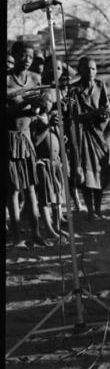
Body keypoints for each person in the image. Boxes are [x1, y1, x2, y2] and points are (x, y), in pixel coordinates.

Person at [6, 41, 46, 248]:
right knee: (13, 190)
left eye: (30, 56)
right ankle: (17, 238)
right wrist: (25, 106)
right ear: (14, 55)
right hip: (10, 139)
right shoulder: (6, 80)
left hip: (27, 139)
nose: (28, 59)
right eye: (23, 55)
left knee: (31, 188)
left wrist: (40, 108)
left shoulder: (36, 79)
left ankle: (36, 233)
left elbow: (41, 109)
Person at [70, 57, 110, 220]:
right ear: (79, 70)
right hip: (82, 136)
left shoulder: (100, 86)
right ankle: (90, 210)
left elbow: (106, 108)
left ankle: (99, 209)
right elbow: (74, 116)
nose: (90, 72)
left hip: (99, 135)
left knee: (100, 171)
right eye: (86, 69)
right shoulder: (73, 90)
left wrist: (103, 115)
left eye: (93, 69)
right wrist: (92, 114)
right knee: (87, 174)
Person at [31, 60, 68, 240]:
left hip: (55, 162)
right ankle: (48, 228)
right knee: (45, 198)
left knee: (58, 194)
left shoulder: (52, 116)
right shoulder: (37, 119)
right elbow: (36, 142)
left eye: (51, 100)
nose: (48, 102)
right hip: (43, 163)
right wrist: (47, 128)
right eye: (45, 100)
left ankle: (58, 225)